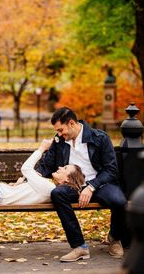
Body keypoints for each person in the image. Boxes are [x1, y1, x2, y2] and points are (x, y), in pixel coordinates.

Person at [36, 107, 127, 262]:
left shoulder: (100, 138)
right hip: (73, 187)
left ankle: (115, 237)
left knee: (119, 201)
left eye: (60, 130)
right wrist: (27, 178)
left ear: (72, 123)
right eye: (57, 131)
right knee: (57, 194)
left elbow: (111, 170)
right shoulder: (60, 142)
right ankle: (79, 247)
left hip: (100, 185)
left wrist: (91, 186)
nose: (58, 134)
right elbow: (46, 165)